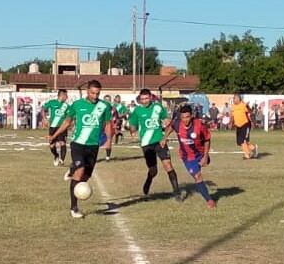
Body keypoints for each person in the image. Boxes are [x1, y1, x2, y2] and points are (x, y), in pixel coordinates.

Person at [48, 80, 113, 219]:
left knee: (85, 177)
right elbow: (67, 121)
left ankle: (72, 168)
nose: (95, 96)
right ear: (87, 91)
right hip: (78, 144)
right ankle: (74, 208)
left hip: (93, 146)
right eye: (92, 93)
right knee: (80, 171)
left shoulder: (105, 106)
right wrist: (54, 135)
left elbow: (108, 124)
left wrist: (109, 140)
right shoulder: (77, 105)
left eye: (97, 93)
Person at [128, 88, 183, 201]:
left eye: (146, 98)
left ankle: (177, 193)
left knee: (168, 165)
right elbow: (133, 124)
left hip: (159, 141)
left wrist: (165, 135)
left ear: (151, 97)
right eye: (142, 99)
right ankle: (149, 180)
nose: (145, 101)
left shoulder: (158, 107)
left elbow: (167, 121)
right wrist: (133, 132)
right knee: (153, 170)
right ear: (140, 99)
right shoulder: (137, 111)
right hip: (146, 144)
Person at [161, 105, 216, 209]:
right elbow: (170, 127)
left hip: (200, 153)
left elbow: (207, 139)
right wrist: (164, 138)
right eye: (183, 117)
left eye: (187, 117)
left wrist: (205, 155)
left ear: (191, 116)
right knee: (197, 176)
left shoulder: (199, 125)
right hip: (187, 156)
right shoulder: (177, 123)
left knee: (202, 166)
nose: (185, 120)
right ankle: (209, 200)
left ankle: (204, 160)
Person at [42, 89, 70, 166]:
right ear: (62, 95)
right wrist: (44, 118)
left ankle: (62, 160)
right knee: (52, 145)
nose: (67, 97)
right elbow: (43, 109)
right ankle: (56, 155)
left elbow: (70, 116)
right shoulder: (52, 102)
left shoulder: (66, 106)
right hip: (53, 127)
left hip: (62, 127)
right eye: (66, 95)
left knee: (62, 143)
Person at [230, 94, 258, 159]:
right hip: (238, 126)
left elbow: (250, 111)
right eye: (233, 98)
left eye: (234, 98)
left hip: (245, 124)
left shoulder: (243, 105)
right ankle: (253, 148)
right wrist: (231, 123)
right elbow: (232, 116)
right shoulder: (233, 107)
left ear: (238, 99)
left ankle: (247, 155)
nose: (233, 99)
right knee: (240, 142)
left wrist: (248, 106)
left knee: (244, 141)